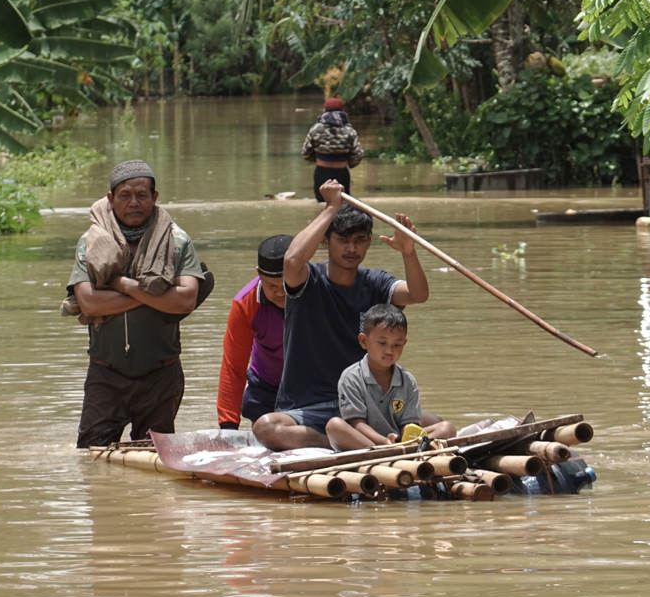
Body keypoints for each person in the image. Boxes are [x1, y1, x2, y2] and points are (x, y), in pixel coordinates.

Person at [252, 178, 429, 450]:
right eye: (343, 240)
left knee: (438, 424)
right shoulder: (307, 280)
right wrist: (331, 208)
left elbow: (418, 294)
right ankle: (345, 443)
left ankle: (367, 441)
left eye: (359, 241)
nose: (351, 249)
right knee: (267, 428)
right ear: (325, 240)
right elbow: (291, 260)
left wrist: (408, 252)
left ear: (369, 242)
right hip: (310, 406)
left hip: (365, 406)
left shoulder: (376, 282)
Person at [66, 159, 207, 448]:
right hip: (105, 374)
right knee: (92, 458)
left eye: (142, 195)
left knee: (155, 463)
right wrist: (156, 298)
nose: (134, 203)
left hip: (161, 374)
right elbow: (90, 303)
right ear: (110, 199)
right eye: (125, 196)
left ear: (155, 198)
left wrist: (119, 283)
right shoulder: (91, 242)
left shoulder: (177, 241)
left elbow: (186, 299)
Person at [326, 303, 455, 450]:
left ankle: (404, 450)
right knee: (334, 426)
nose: (389, 351)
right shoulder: (351, 377)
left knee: (447, 428)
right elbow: (356, 423)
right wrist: (384, 442)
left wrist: (405, 438)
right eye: (382, 343)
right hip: (366, 442)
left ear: (404, 343)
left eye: (397, 345)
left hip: (398, 442)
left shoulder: (408, 380)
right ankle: (387, 452)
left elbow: (408, 424)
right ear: (364, 341)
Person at [216, 235, 291, 430]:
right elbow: (233, 368)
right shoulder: (245, 303)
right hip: (266, 388)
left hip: (314, 388)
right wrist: (228, 426)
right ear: (259, 274)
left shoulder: (320, 291)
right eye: (272, 286)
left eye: (285, 284)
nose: (280, 293)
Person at [301, 96, 363, 201]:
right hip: (342, 172)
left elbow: (305, 152)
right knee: (343, 205)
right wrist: (349, 164)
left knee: (321, 204)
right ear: (342, 111)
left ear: (324, 111)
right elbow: (358, 153)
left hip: (321, 172)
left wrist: (317, 159)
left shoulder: (316, 129)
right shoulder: (349, 130)